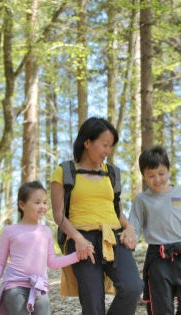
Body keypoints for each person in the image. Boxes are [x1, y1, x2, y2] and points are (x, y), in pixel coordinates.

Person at [50, 116, 142, 315]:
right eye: (104, 145)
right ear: (87, 143)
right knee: (93, 304)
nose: (107, 151)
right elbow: (58, 215)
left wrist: (129, 227)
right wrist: (78, 239)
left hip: (113, 238)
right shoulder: (65, 171)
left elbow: (117, 212)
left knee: (133, 287)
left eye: (110, 146)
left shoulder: (112, 173)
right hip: (82, 241)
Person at [0, 181, 93, 315]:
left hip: (40, 287)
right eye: (37, 202)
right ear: (22, 205)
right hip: (15, 287)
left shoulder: (46, 231)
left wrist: (78, 255)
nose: (42, 206)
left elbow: (52, 262)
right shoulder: (10, 231)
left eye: (44, 202)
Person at [129, 145, 181, 315]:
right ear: (144, 177)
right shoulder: (141, 200)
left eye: (161, 173)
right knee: (160, 307)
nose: (157, 179)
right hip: (158, 259)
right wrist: (126, 244)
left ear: (168, 170)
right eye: (151, 175)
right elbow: (133, 227)